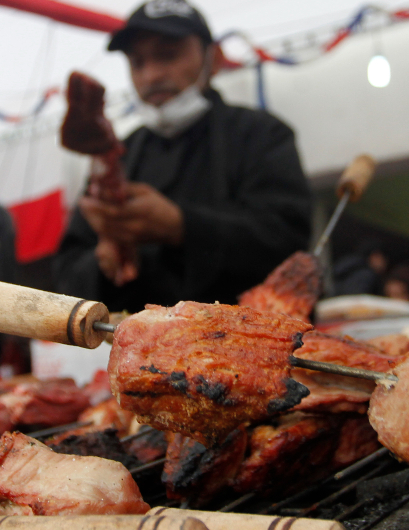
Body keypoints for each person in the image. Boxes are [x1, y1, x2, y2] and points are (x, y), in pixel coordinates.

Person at [53, 0, 313, 311]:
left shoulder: (261, 135)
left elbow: (288, 244)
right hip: (140, 349)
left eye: (168, 55)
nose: (151, 76)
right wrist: (105, 258)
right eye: (137, 63)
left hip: (247, 343)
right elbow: (65, 272)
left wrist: (181, 226)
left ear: (213, 59)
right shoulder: (118, 155)